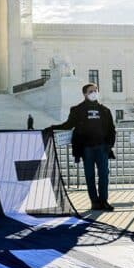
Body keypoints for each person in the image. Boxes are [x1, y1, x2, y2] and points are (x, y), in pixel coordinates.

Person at [45, 83, 116, 211]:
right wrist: (52, 128)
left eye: (95, 90)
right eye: (91, 91)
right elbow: (68, 125)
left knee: (104, 175)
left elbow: (112, 129)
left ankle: (103, 201)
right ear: (84, 94)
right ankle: (94, 202)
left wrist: (109, 145)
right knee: (90, 176)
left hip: (102, 148)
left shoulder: (105, 110)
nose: (94, 93)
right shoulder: (77, 110)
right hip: (86, 148)